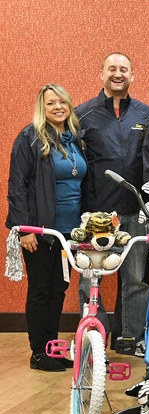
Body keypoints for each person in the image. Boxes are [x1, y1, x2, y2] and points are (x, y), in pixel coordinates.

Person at [6, 84, 89, 371]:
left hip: (68, 232)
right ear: (43, 107)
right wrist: (24, 228)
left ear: (69, 105)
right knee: (40, 290)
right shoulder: (30, 138)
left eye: (62, 102)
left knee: (59, 289)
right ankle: (38, 353)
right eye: (51, 103)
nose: (57, 107)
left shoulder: (75, 140)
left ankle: (52, 349)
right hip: (40, 231)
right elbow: (17, 187)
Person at [76, 53, 149, 354]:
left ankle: (130, 338)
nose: (117, 74)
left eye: (124, 70)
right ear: (101, 74)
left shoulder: (147, 115)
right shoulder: (82, 114)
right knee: (90, 280)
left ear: (133, 76)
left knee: (135, 280)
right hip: (96, 215)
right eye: (112, 69)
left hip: (136, 211)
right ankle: (92, 337)